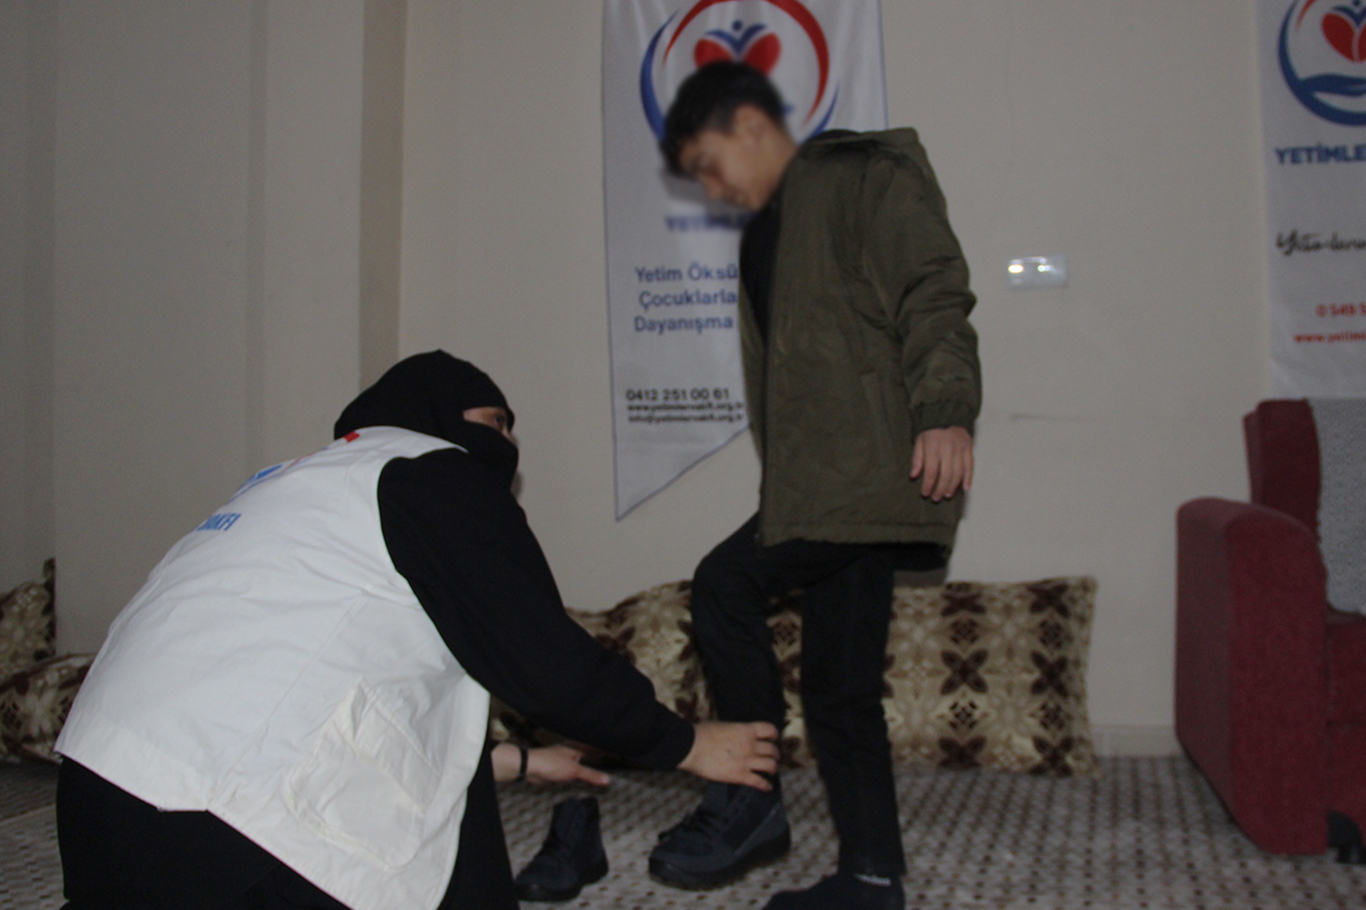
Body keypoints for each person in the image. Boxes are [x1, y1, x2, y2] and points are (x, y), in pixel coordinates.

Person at [53, 351, 778, 910]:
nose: (508, 446)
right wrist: (685, 743)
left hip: (98, 799)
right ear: (437, 415)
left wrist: (520, 762)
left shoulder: (291, 483)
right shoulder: (434, 473)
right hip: (229, 822)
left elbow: (300, 686)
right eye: (495, 423)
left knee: (450, 789)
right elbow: (543, 660)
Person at [647, 63, 981, 910]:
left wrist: (945, 411)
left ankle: (750, 802)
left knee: (724, 584)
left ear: (750, 125)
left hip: (866, 474)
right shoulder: (766, 231)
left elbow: (933, 289)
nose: (711, 188)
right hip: (827, 487)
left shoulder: (859, 177)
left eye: (710, 164)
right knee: (839, 690)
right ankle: (870, 879)